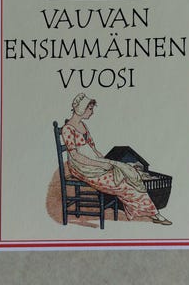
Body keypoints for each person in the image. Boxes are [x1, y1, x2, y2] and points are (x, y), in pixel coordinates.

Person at [61, 93, 172, 225]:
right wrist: (100, 164)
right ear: (81, 108)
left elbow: (93, 148)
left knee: (126, 171)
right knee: (123, 183)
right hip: (82, 167)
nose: (92, 112)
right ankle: (154, 213)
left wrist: (105, 161)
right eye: (90, 109)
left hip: (93, 161)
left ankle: (151, 212)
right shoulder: (68, 129)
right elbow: (75, 156)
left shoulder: (83, 126)